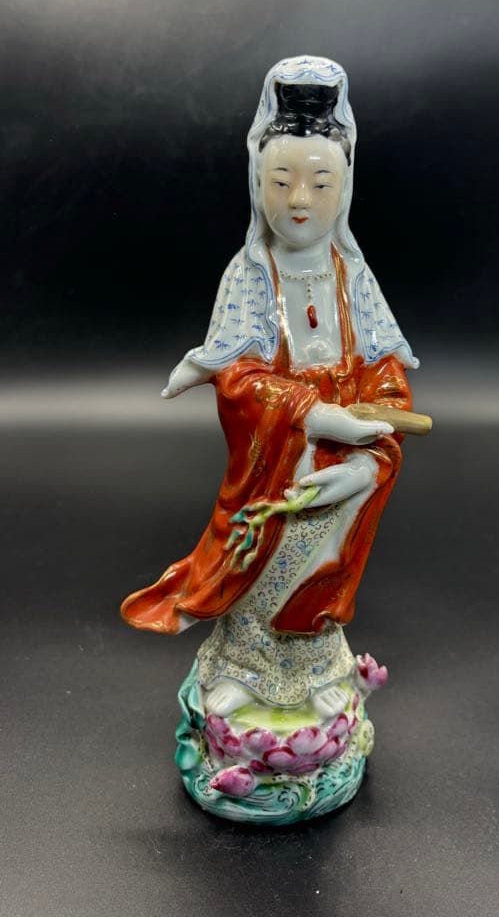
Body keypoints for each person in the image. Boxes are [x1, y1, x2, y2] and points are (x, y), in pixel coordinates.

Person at [121, 56, 419, 727]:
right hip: (279, 458)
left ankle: (315, 674)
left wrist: (366, 464)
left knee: (325, 564)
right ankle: (245, 672)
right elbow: (238, 378)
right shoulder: (251, 274)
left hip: (345, 465)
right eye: (281, 182)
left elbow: (386, 380)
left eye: (321, 182)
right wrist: (316, 415)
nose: (300, 200)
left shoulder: (354, 279)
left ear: (346, 187)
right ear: (258, 184)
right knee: (259, 558)